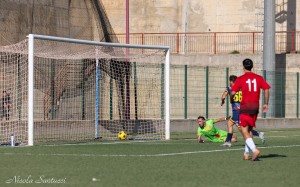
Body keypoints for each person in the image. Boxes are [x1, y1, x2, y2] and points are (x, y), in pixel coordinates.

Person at [230, 59, 270, 161]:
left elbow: (233, 93)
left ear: (243, 67)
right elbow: (266, 89)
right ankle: (246, 154)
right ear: (252, 66)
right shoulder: (259, 78)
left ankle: (254, 150)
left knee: (244, 130)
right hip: (255, 107)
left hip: (245, 107)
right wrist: (266, 103)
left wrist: (231, 99)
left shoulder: (240, 79)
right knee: (249, 130)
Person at [220, 75, 265, 147]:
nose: (229, 83)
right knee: (230, 124)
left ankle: (258, 134)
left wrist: (222, 101)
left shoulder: (229, 89)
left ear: (231, 81)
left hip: (237, 112)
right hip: (242, 110)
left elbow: (223, 96)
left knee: (242, 129)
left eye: (230, 81)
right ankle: (228, 141)